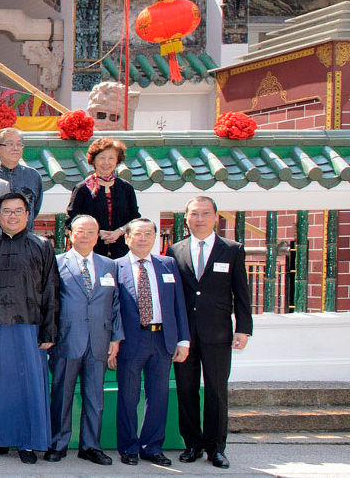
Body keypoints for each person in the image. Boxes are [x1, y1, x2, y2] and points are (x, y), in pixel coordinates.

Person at [0, 192, 59, 464]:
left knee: (27, 387)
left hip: (28, 327)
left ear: (28, 214)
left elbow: (51, 290)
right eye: (6, 211)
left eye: (18, 211)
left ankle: (28, 443)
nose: (12, 216)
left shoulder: (42, 245)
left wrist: (48, 332)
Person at [172, 195, 252, 469]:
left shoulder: (231, 249)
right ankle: (192, 444)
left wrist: (243, 328)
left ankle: (216, 447)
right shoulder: (175, 250)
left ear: (216, 217)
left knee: (217, 391)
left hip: (218, 333)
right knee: (186, 389)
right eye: (194, 214)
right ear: (186, 218)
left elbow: (241, 291)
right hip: (185, 335)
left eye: (206, 214)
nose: (200, 219)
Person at [113, 218, 189, 466]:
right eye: (137, 234)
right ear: (127, 238)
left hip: (162, 339)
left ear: (155, 237)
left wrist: (183, 340)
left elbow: (179, 305)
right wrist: (112, 342)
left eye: (148, 233)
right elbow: (111, 309)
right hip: (131, 340)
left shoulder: (168, 265)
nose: (143, 238)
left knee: (158, 396)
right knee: (128, 396)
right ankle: (128, 447)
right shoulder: (115, 267)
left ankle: (152, 446)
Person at [46, 214, 120, 465]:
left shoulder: (109, 265)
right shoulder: (56, 263)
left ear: (98, 235)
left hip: (100, 339)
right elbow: (49, 303)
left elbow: (116, 304)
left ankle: (91, 446)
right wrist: (49, 336)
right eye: (80, 231)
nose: (86, 236)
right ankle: (57, 443)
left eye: (91, 231)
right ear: (70, 234)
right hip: (66, 339)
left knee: (94, 397)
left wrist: (116, 338)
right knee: (62, 395)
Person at [67, 137, 139, 259]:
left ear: (117, 161)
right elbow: (71, 219)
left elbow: (135, 219)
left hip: (122, 252)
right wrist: (97, 232)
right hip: (90, 251)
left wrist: (119, 231)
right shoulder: (83, 188)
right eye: (101, 157)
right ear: (93, 161)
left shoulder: (126, 188)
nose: (106, 162)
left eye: (111, 158)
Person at [0, 128, 42, 232]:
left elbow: (35, 209)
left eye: (19, 144)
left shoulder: (33, 176)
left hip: (25, 241)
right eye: (10, 144)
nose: (15, 148)